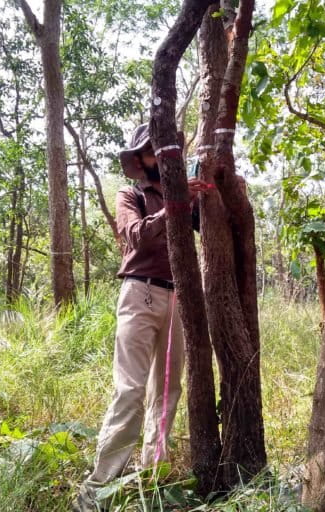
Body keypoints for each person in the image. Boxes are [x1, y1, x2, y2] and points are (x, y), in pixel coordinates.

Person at [72, 124, 210, 512]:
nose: (159, 157)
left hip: (179, 296)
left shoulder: (185, 193)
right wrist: (175, 208)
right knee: (130, 390)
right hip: (140, 292)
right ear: (141, 158)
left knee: (168, 390)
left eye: (164, 150)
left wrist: (202, 197)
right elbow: (134, 235)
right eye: (151, 151)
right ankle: (99, 486)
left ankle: (153, 474)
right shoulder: (130, 194)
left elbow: (206, 227)